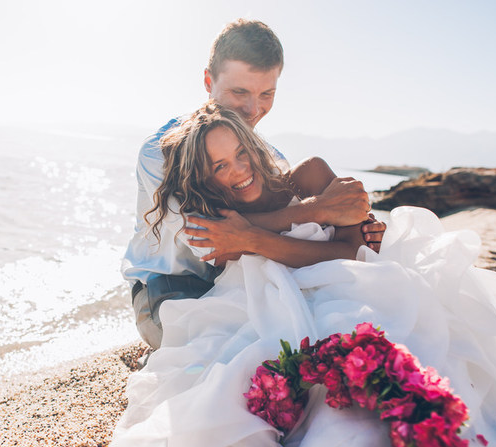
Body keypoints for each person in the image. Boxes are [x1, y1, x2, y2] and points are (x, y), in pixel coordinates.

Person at [97, 102, 496, 447]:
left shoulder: (309, 173)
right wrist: (312, 213)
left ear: (253, 144)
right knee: (239, 421)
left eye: (241, 152)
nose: (238, 171)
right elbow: (220, 240)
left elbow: (349, 249)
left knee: (388, 410)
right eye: (219, 167)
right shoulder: (211, 216)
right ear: (203, 180)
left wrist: (263, 234)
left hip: (348, 292)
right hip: (258, 310)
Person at [123, 19, 386, 350]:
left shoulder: (269, 158)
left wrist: (357, 221)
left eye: (267, 94)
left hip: (237, 283)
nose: (253, 109)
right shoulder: (160, 152)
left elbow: (274, 231)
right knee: (217, 358)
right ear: (208, 80)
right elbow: (208, 237)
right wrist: (318, 209)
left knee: (306, 335)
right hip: (170, 287)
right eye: (239, 92)